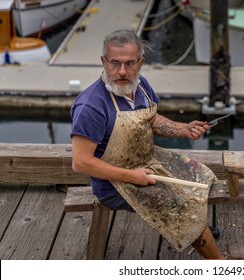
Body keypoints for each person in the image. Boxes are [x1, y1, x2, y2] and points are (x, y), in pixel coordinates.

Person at [70, 28, 224, 259]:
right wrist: (133, 177)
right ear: (103, 61)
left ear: (141, 62)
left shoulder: (141, 86)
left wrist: (184, 128)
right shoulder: (91, 106)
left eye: (130, 64)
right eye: (115, 63)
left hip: (148, 160)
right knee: (180, 204)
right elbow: (80, 163)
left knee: (202, 176)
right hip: (115, 184)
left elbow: (150, 118)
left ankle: (197, 229)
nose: (122, 71)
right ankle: (221, 265)